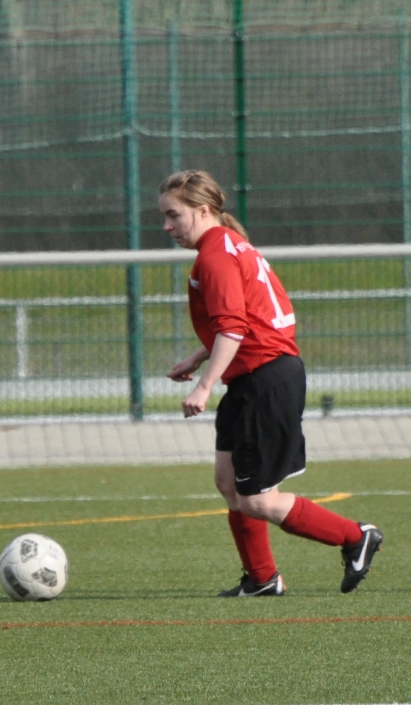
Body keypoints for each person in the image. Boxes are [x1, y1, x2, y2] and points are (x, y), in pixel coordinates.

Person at [160, 170, 382, 596]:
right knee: (229, 483)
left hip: (266, 379)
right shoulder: (227, 244)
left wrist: (204, 385)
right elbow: (249, 319)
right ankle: (261, 578)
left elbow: (233, 327)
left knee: (258, 500)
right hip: (254, 376)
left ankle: (356, 536)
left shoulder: (216, 255)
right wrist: (198, 355)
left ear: (203, 211)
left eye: (174, 215)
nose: (167, 226)